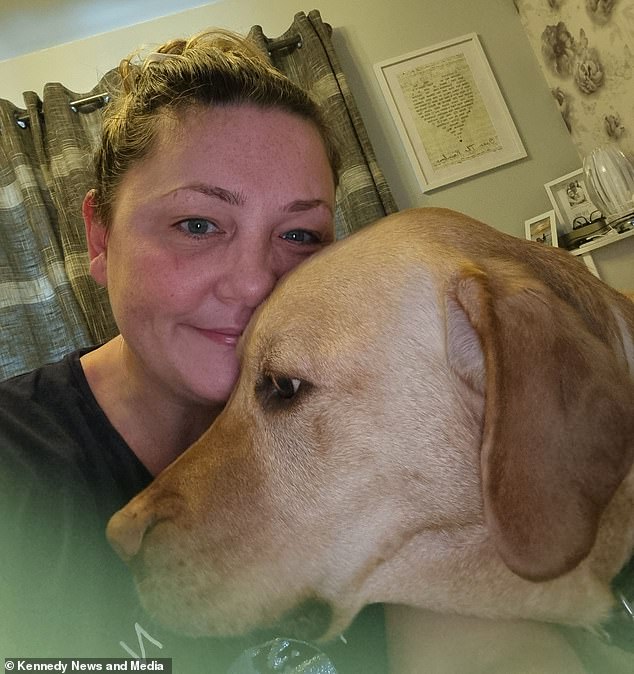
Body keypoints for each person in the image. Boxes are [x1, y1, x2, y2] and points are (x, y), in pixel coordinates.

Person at [0, 30, 387, 674]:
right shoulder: (16, 468)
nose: (255, 283)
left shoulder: (361, 424)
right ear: (99, 238)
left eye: (299, 233)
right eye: (198, 224)